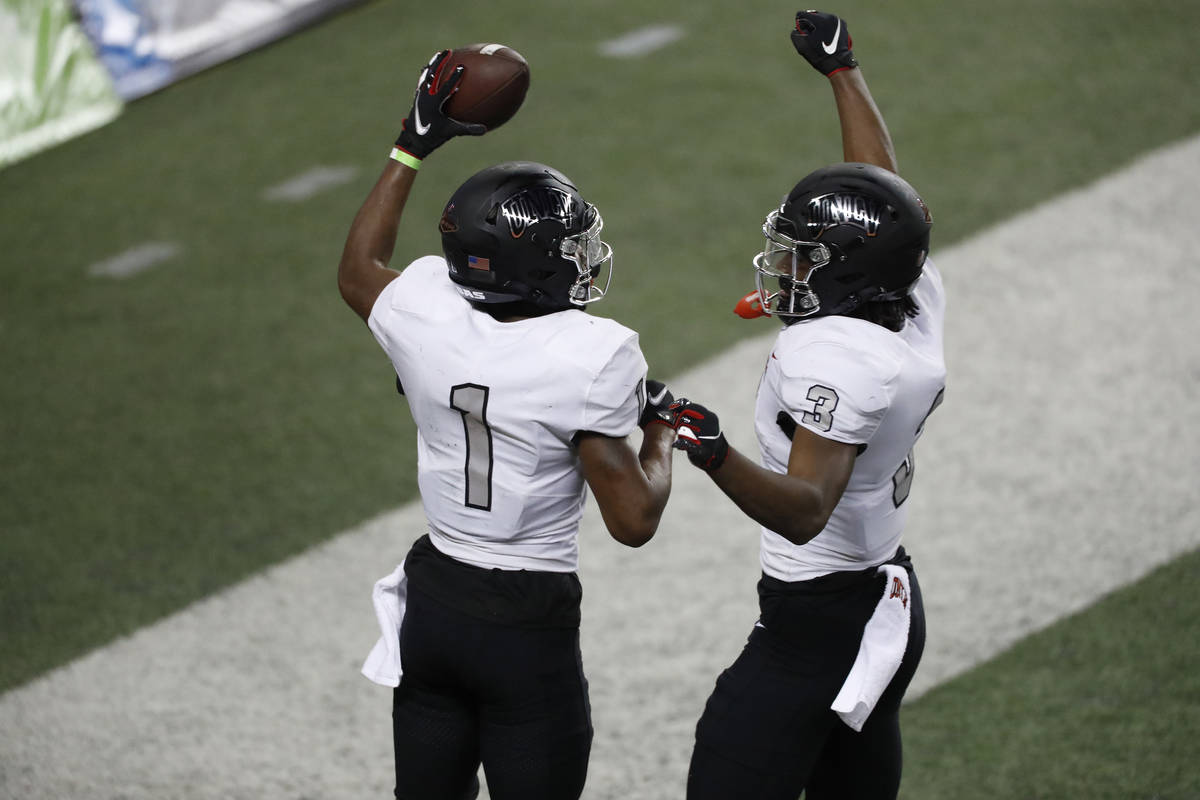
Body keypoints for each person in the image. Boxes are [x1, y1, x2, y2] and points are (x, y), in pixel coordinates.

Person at [337, 50, 677, 800]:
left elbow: (360, 267)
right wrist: (662, 431)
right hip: (523, 619)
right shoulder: (590, 354)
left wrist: (410, 146)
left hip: (435, 598)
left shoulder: (425, 308)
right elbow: (633, 519)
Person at [672, 11, 946, 800]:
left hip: (820, 619)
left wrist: (712, 448)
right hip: (884, 591)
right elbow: (889, 202)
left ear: (847, 275)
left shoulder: (834, 356)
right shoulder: (910, 293)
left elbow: (804, 511)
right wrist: (843, 71)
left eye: (804, 253)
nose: (785, 263)